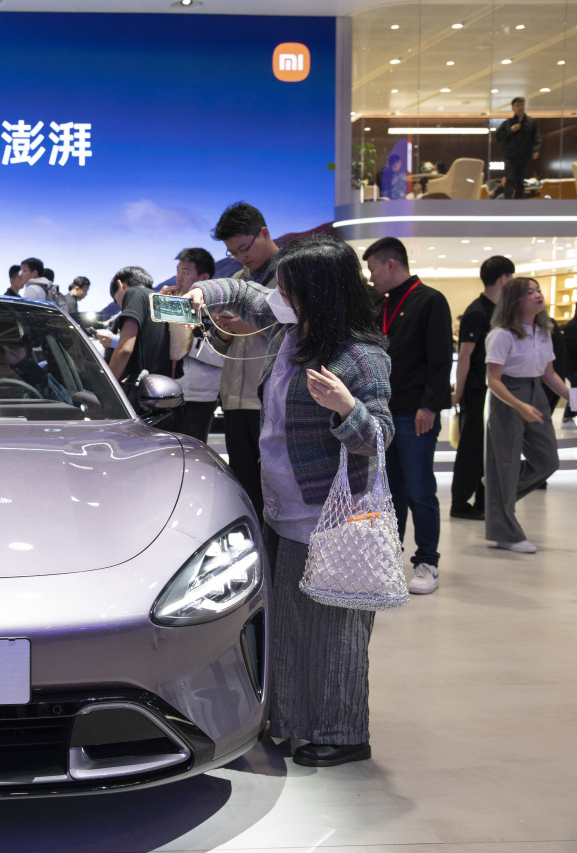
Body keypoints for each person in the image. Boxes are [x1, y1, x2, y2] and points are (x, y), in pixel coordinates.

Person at [184, 233, 394, 768]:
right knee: (291, 628)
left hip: (329, 516)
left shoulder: (359, 357)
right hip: (280, 507)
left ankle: (345, 733)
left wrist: (348, 409)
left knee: (334, 631)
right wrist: (204, 292)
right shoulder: (289, 331)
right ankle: (293, 722)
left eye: (289, 287)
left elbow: (379, 437)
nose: (277, 294)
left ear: (318, 293)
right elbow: (242, 295)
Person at [363, 237, 452, 595]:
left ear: (390, 264)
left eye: (372, 270)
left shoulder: (429, 300)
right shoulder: (383, 304)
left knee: (419, 490)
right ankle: (390, 558)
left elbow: (439, 357)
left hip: (415, 413)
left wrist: (430, 405)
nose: (371, 278)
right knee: (390, 492)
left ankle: (427, 561)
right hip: (384, 413)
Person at [484, 278, 573, 553]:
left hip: (536, 391)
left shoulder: (544, 330)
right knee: (507, 464)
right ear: (515, 300)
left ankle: (498, 491)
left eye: (538, 291)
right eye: (530, 292)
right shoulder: (502, 334)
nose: (537, 295)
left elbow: (548, 373)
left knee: (548, 461)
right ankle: (506, 533)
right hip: (508, 395)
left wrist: (572, 397)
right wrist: (519, 405)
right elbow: (493, 380)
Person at [208, 202, 278, 518]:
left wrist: (248, 325)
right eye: (234, 252)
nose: (241, 257)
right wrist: (223, 328)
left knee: (273, 486)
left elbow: (297, 331)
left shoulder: (290, 274)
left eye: (244, 248)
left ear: (264, 233)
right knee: (244, 482)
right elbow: (224, 338)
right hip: (234, 398)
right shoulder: (237, 278)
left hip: (268, 399)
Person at [450, 256, 514, 519]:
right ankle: (460, 502)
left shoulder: (497, 310)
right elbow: (465, 356)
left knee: (487, 448)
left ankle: (481, 500)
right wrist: (460, 392)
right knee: (472, 448)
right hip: (478, 391)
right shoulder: (478, 312)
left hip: (490, 390)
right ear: (503, 278)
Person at [173, 249, 225, 443]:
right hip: (171, 392)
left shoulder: (219, 309)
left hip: (202, 398)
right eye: (177, 271)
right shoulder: (173, 306)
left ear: (204, 278)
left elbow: (224, 356)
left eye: (185, 272)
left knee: (194, 449)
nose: (178, 278)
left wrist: (187, 344)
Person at [103, 267, 171, 402]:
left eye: (118, 302)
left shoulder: (134, 292)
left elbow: (124, 349)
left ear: (120, 284)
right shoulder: (161, 301)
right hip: (163, 389)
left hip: (138, 390)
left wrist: (106, 386)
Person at [495, 97, 541, 200]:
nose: (520, 107)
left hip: (524, 155)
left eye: (522, 105)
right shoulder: (508, 123)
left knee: (520, 180)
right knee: (510, 179)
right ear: (513, 108)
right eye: (517, 105)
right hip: (510, 156)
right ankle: (508, 203)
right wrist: (511, 130)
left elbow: (537, 138)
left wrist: (536, 150)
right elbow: (498, 137)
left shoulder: (531, 122)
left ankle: (518, 203)